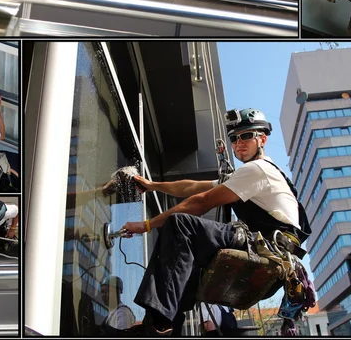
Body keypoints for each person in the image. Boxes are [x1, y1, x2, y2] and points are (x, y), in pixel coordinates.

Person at [119, 108, 311, 337]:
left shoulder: (257, 170)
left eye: (247, 136)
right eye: (234, 138)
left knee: (181, 225)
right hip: (268, 250)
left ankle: (158, 325)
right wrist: (152, 186)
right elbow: (190, 187)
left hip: (268, 249)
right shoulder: (247, 175)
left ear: (262, 139)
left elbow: (201, 202)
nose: (239, 143)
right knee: (186, 271)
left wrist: (146, 225)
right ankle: (168, 329)